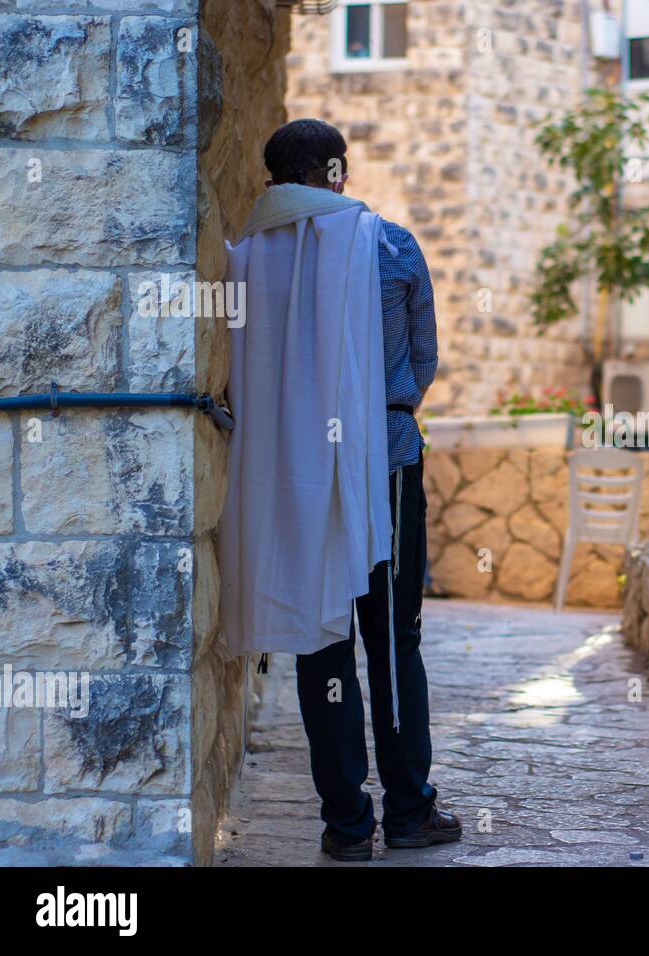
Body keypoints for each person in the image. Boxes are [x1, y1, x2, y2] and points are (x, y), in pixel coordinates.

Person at [220, 118, 460, 861]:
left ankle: (347, 824)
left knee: (320, 641)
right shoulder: (387, 245)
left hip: (292, 467)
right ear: (335, 173)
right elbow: (424, 360)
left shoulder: (243, 259)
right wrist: (374, 411)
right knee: (394, 641)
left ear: (270, 181)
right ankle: (411, 811)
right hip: (383, 461)